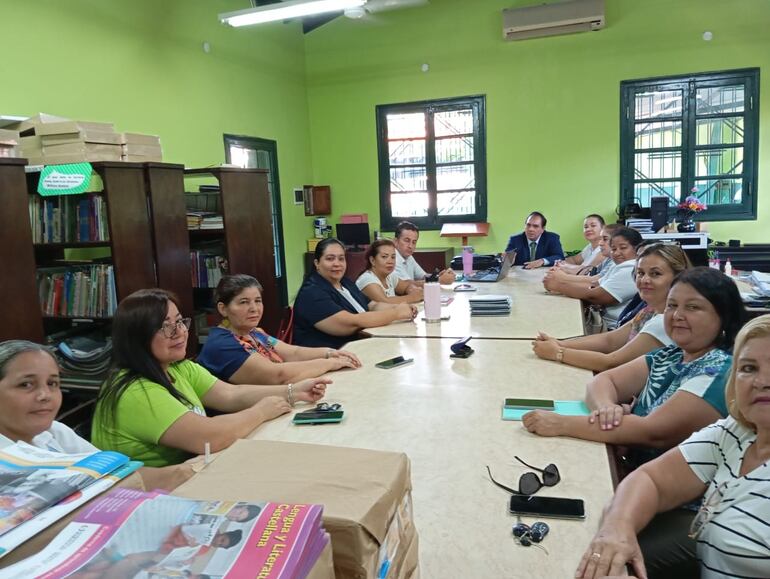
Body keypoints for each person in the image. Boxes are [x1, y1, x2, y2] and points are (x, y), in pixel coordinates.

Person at [575, 314, 770, 579]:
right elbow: (651, 479)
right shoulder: (738, 432)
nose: (761, 382)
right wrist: (618, 528)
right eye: (749, 368)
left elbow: (653, 433)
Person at [524, 268, 747, 469]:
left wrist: (561, 423)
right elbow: (603, 382)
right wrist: (606, 409)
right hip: (630, 470)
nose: (677, 315)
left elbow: (652, 432)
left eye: (693, 307)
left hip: (671, 502)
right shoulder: (672, 354)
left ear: (723, 316)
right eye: (672, 305)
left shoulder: (718, 372)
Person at [91, 289, 329, 467]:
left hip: (195, 470)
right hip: (157, 495)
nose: (180, 332)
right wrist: (261, 411)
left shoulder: (177, 367)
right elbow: (210, 438)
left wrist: (293, 391)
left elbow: (231, 394)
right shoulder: (136, 391)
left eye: (180, 322)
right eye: (166, 327)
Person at [0, 340, 193, 491]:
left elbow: (113, 475)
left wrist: (181, 472)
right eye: (26, 385)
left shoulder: (53, 431)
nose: (45, 396)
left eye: (52, 383)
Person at [533, 243, 691, 372]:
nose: (645, 280)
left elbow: (611, 362)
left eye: (655, 274)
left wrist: (558, 353)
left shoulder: (663, 322)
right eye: (640, 273)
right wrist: (559, 343)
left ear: (678, 277)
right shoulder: (650, 310)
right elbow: (610, 340)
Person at [198, 274, 361, 385]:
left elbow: (294, 352)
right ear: (223, 309)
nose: (254, 308)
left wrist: (330, 353)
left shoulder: (255, 333)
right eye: (243, 302)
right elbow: (278, 375)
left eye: (258, 301)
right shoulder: (222, 344)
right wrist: (329, 363)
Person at [293, 238, 418, 348]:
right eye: (330, 259)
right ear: (317, 263)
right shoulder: (311, 292)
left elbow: (372, 305)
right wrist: (396, 313)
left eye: (341, 259)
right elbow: (352, 322)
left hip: (360, 347)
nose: (337, 263)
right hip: (328, 359)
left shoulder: (345, 283)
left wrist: (400, 306)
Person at [543, 226, 642, 329]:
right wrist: (562, 283)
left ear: (637, 248)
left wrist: (559, 285)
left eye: (623, 248)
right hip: (602, 321)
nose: (616, 253)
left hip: (610, 327)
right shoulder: (619, 266)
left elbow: (595, 295)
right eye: (613, 249)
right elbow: (594, 284)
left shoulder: (630, 268)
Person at [356, 239, 424, 304]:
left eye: (393, 257)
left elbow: (406, 286)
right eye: (384, 257)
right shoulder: (367, 279)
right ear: (372, 260)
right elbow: (384, 302)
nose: (390, 261)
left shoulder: (389, 276)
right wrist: (413, 297)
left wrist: (413, 290)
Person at [393, 221, 456, 286]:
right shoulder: (393, 259)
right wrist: (439, 280)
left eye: (414, 242)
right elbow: (406, 285)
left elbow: (423, 276)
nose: (410, 246)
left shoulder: (408, 256)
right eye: (407, 240)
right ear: (395, 241)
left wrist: (437, 276)